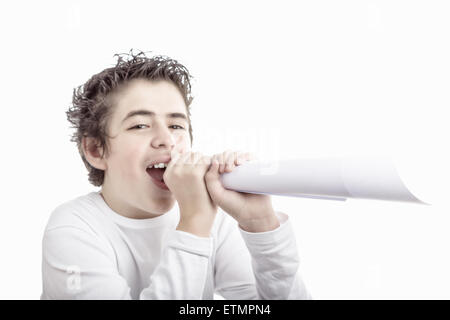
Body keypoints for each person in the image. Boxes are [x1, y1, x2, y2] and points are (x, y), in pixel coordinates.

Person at [41, 50, 311, 299]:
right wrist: (194, 223)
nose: (167, 139)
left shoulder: (215, 221)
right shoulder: (72, 228)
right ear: (95, 149)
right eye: (140, 125)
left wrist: (260, 224)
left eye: (176, 124)